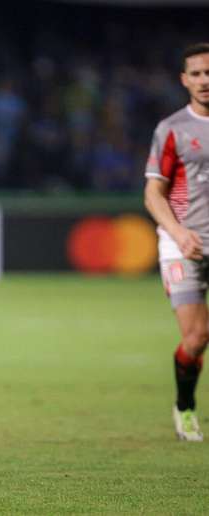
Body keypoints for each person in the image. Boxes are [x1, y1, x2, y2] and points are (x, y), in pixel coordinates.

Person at [144, 42, 209, 442]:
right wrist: (179, 232)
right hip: (183, 243)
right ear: (184, 80)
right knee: (197, 337)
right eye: (197, 74)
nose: (205, 81)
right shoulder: (172, 129)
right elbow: (153, 194)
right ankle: (185, 406)